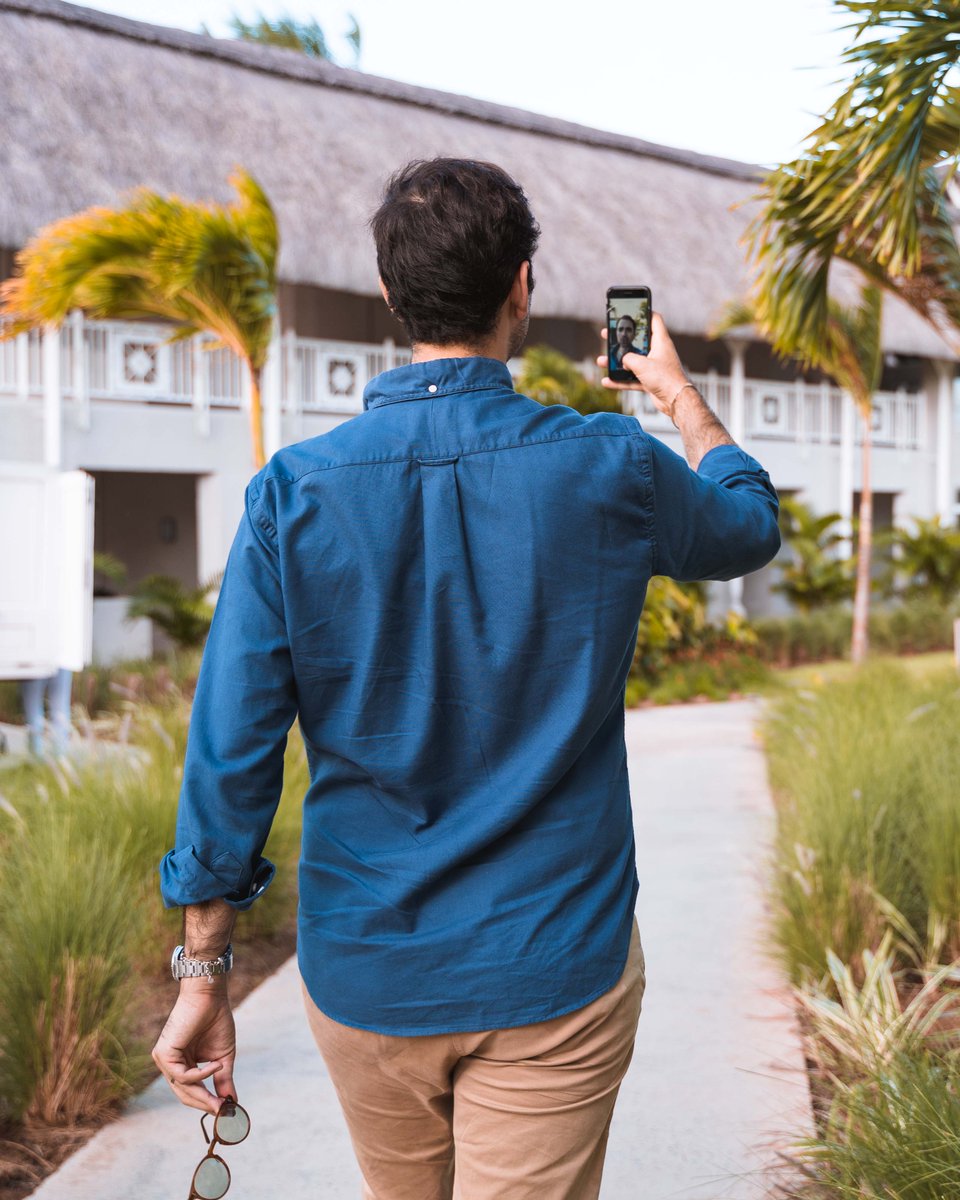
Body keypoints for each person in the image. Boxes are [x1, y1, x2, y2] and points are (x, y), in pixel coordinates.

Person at [152, 157, 781, 1200]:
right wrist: (673, 391)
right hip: (553, 969)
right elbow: (748, 524)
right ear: (522, 286)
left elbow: (232, 754)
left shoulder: (292, 496)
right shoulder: (610, 464)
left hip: (368, 976)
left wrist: (204, 974)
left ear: (389, 292)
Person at [20, 666, 73, 758]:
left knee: (33, 709)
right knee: (60, 710)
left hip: (33, 662)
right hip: (62, 661)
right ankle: (60, 758)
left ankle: (36, 758)